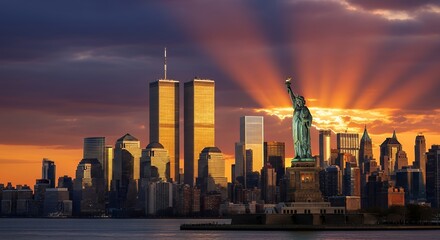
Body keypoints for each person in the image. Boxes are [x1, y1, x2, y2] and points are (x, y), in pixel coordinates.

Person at [286, 78, 312, 159]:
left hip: (302, 127)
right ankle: (297, 154)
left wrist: (305, 120)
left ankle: (304, 154)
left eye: (299, 101)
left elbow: (310, 119)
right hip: (296, 127)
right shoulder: (296, 108)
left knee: (303, 140)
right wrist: (289, 88)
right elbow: (292, 98)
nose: (297, 102)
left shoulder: (305, 109)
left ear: (302, 102)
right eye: (297, 101)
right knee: (296, 140)